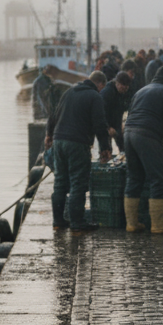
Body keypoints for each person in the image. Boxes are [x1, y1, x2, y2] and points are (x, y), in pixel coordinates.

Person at [45, 70, 112, 234]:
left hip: (59, 141)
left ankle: (58, 221)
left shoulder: (69, 92)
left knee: (60, 182)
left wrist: (49, 134)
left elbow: (53, 114)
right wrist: (105, 148)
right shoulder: (94, 96)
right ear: (100, 84)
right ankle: (77, 223)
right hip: (77, 143)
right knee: (78, 182)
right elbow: (100, 124)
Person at [122, 65, 163, 235]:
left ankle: (131, 223)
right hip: (146, 135)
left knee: (134, 177)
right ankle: (158, 224)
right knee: (158, 178)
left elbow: (132, 113)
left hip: (128, 134)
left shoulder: (141, 91)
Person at [101, 70, 132, 151]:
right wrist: (108, 127)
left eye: (126, 88)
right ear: (117, 83)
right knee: (106, 149)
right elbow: (101, 112)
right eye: (123, 87)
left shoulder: (122, 93)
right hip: (106, 125)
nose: (124, 90)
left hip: (116, 124)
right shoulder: (107, 93)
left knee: (124, 147)